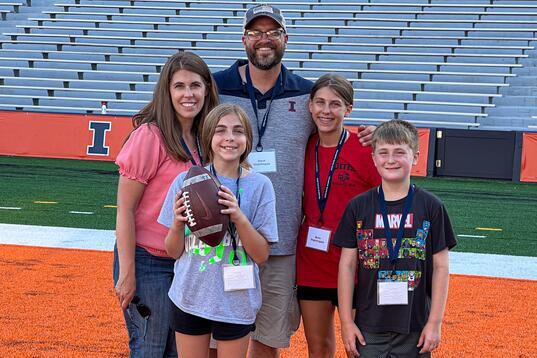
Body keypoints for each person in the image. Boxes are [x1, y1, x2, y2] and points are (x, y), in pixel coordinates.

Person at [213, 5, 374, 356]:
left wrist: (372, 135)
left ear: (286, 39)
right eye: (255, 32)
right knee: (218, 337)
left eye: (272, 32)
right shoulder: (216, 87)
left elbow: (334, 126)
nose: (263, 40)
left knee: (269, 337)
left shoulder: (305, 95)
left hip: (281, 241)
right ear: (244, 39)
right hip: (222, 238)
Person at [113, 51, 219, 357]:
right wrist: (128, 272)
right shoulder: (150, 135)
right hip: (148, 260)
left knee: (178, 351)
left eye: (195, 85)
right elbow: (125, 209)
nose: (188, 94)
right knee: (150, 347)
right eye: (180, 86)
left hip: (186, 261)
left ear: (206, 89)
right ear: (167, 91)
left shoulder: (204, 137)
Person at [157, 103, 278, 358]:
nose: (230, 138)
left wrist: (239, 216)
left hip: (237, 299)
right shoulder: (185, 181)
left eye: (238, 131)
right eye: (221, 130)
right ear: (208, 136)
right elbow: (173, 251)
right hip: (190, 293)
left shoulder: (260, 185)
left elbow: (262, 255)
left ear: (248, 138)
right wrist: (178, 224)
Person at [334, 119, 457, 358]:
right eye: (384, 152)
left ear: (415, 157)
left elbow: (441, 267)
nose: (391, 159)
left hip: (416, 326)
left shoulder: (431, 206)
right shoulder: (358, 207)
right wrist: (346, 322)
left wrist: (435, 322)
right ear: (373, 158)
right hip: (368, 326)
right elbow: (347, 266)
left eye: (400, 152)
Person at [296, 74, 382, 358]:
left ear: (349, 109)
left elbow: (387, 200)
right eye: (319, 102)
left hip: (358, 266)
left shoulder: (365, 148)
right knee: (318, 348)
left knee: (359, 348)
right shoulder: (302, 147)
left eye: (335, 104)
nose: (326, 111)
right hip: (312, 262)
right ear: (309, 106)